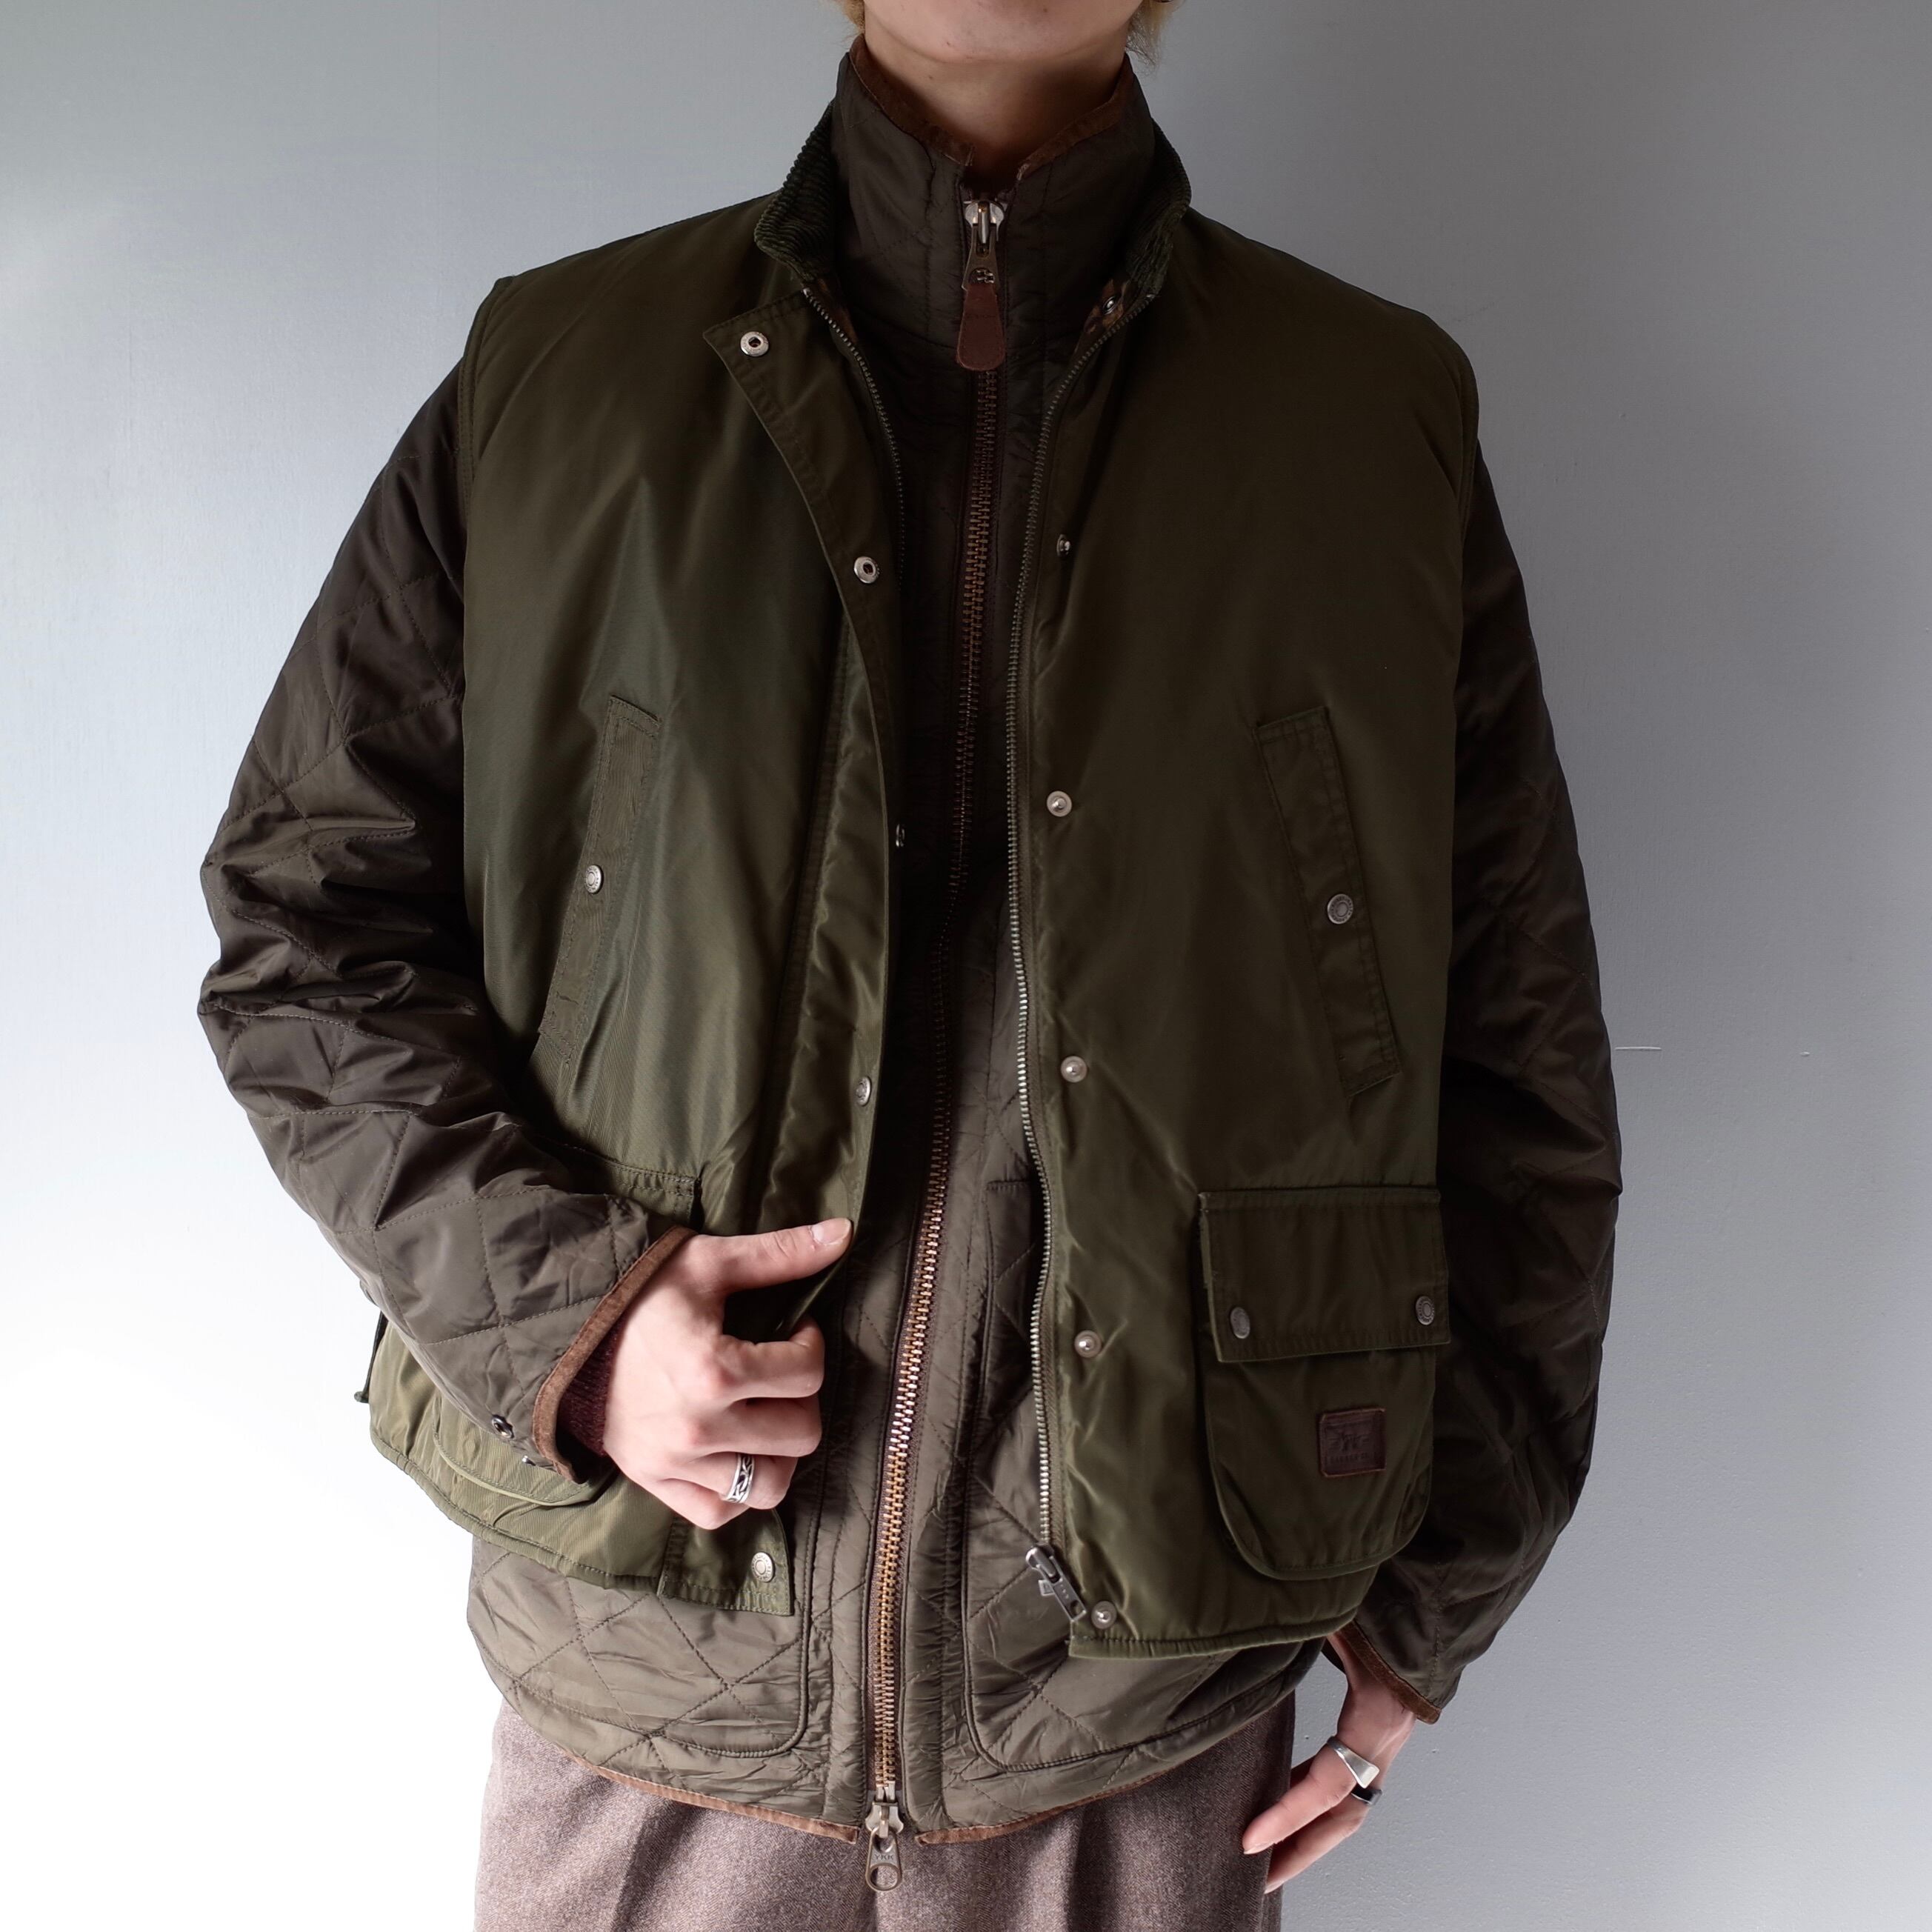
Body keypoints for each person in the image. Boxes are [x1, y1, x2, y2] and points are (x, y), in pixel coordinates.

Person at [196, 1, 1622, 1924]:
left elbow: (1512, 1064)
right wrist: (572, 1326)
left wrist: (1432, 1604)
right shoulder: (565, 372)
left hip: (1140, 1725)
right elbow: (305, 926)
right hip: (650, 1702)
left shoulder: (1370, 420)